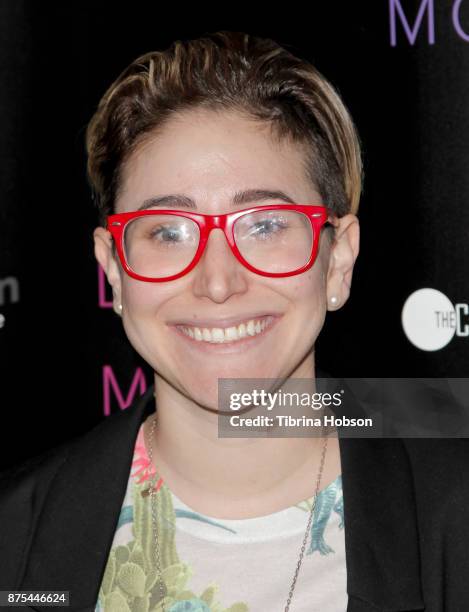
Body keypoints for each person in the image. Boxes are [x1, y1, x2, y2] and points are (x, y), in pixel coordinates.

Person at [1, 30, 468, 612]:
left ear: (338, 260)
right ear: (113, 272)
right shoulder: (12, 541)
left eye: (265, 224)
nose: (218, 283)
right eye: (168, 233)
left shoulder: (455, 512)